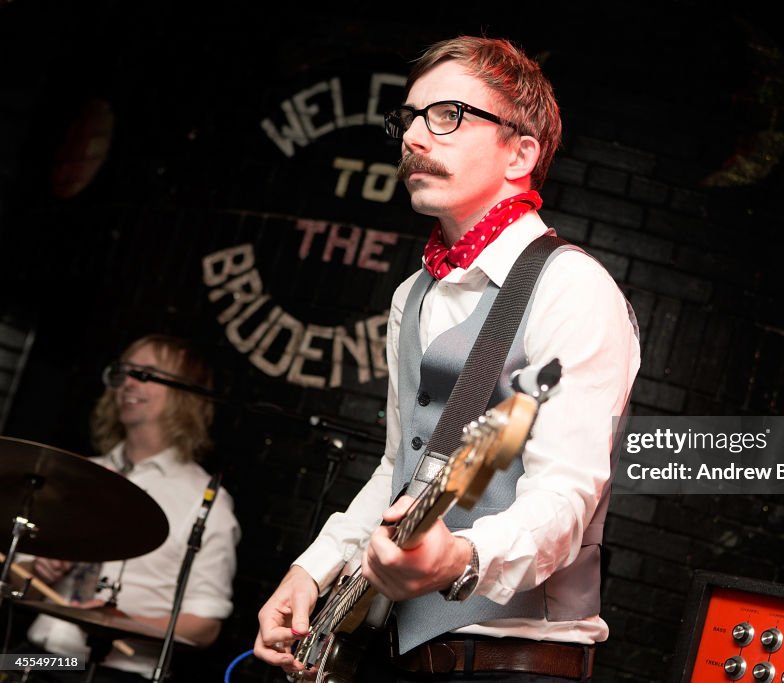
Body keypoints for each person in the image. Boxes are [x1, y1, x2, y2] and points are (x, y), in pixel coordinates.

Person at [254, 35, 641, 682]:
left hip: (514, 664)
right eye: (409, 118)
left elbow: (566, 497)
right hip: (403, 656)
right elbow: (400, 467)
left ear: (521, 153)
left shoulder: (572, 288)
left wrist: (458, 555)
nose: (415, 138)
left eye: (449, 115)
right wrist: (311, 568)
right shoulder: (414, 294)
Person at [14, 333, 241, 682]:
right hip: (41, 659)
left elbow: (205, 627)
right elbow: (10, 573)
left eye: (147, 374)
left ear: (186, 393)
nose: (128, 383)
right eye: (125, 371)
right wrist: (36, 568)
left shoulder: (204, 500)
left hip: (116, 674)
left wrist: (120, 624)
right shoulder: (75, 472)